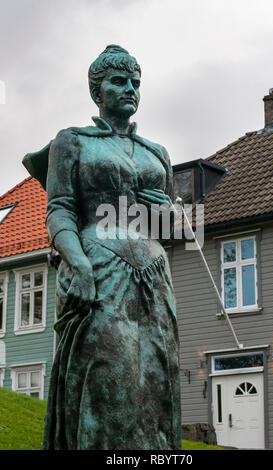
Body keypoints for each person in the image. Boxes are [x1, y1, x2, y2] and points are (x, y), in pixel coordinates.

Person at [23, 45, 181, 450]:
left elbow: (174, 231)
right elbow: (59, 212)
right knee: (108, 376)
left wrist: (164, 212)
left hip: (154, 280)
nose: (129, 88)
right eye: (118, 81)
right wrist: (78, 265)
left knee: (157, 380)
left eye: (135, 83)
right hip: (99, 269)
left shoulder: (157, 153)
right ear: (98, 91)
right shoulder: (72, 142)